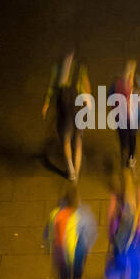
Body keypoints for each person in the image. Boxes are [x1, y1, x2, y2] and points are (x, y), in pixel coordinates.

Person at [43, 188, 97, 279]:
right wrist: (88, 249)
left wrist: (50, 250)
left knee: (64, 277)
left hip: (61, 254)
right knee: (77, 275)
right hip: (78, 252)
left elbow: (48, 234)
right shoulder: (83, 213)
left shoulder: (55, 213)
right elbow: (90, 233)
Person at [42, 51, 91, 181]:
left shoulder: (57, 68)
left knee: (66, 141)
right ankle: (76, 171)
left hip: (64, 110)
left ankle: (71, 170)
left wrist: (47, 103)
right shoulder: (80, 68)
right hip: (77, 108)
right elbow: (85, 86)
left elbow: (52, 87)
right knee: (78, 142)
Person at [107, 59, 140, 171]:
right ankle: (131, 159)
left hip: (121, 119)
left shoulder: (116, 83)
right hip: (133, 120)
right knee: (132, 137)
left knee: (123, 138)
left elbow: (110, 98)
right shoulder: (139, 83)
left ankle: (123, 154)